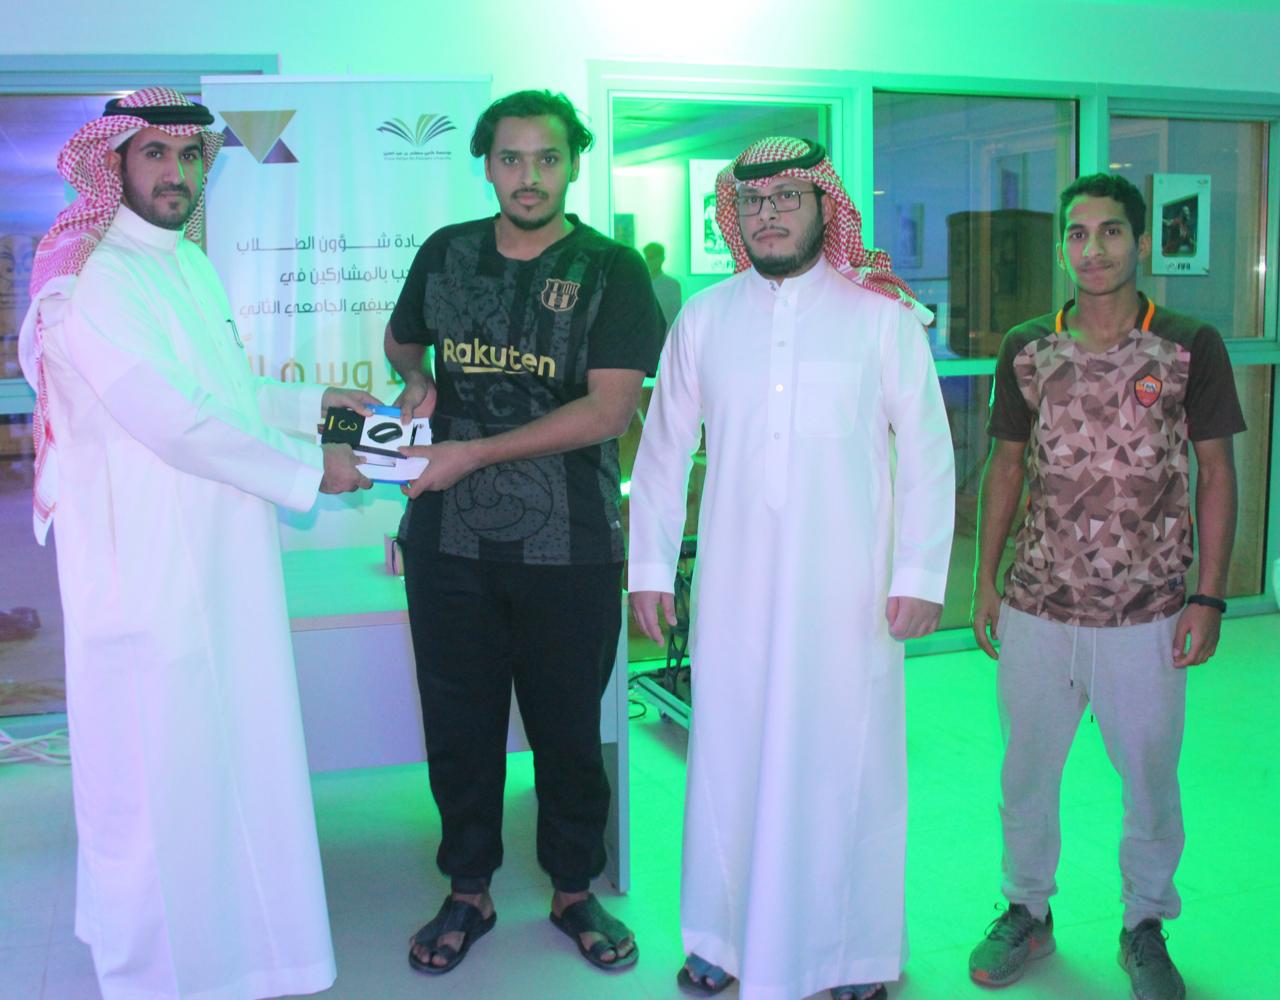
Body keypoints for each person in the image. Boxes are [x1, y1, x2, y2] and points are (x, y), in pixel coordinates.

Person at [16, 87, 375, 1000]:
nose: (176, 173)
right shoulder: (97, 280)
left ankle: (232, 954)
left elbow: (225, 393)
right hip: (147, 580)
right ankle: (152, 974)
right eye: (154, 154)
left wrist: (319, 405)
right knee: (155, 785)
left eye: (190, 156)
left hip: (215, 564)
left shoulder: (183, 265)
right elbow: (175, 419)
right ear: (113, 164)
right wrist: (314, 467)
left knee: (221, 768)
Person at [630, 136, 956, 1000]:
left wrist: (921, 575)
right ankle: (719, 937)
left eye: (787, 198)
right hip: (734, 592)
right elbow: (662, 452)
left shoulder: (882, 321)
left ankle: (850, 956)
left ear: (824, 206)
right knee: (727, 761)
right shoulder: (704, 319)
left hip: (848, 597)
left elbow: (929, 456)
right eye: (753, 202)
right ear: (734, 215)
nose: (769, 214)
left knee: (845, 768)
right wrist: (650, 567)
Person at [383, 89, 664, 976]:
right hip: (447, 540)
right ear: (488, 165)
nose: (529, 176)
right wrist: (418, 379)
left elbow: (607, 411)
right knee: (458, 728)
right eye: (511, 158)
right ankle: (468, 889)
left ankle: (574, 889)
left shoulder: (613, 270)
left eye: (547, 158)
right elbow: (400, 340)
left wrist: (472, 452)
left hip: (569, 544)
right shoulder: (447, 253)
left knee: (568, 731)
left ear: (573, 162)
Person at [968, 173, 1244, 1000]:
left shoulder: (1188, 344)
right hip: (1038, 606)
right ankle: (1026, 910)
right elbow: (1005, 466)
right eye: (1078, 233)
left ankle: (1144, 924)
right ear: (1063, 247)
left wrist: (1208, 596)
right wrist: (984, 582)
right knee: (1026, 773)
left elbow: (1217, 470)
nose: (1093, 249)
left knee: (1150, 779)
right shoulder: (1029, 347)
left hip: (1147, 614)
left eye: (1111, 231)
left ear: (1141, 241)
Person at [643, 240, 682, 330]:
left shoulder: (673, 285)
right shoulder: (641, 283)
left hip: (666, 332)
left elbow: (675, 314)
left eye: (652, 257)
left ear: (662, 258)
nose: (649, 261)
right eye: (648, 258)